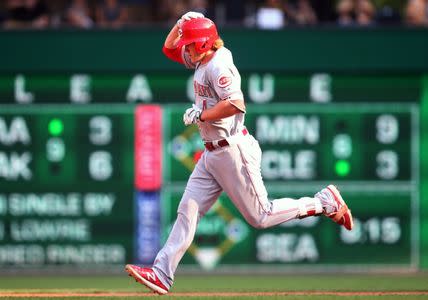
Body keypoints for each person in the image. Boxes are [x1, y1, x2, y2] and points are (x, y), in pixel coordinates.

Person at [125, 12, 354, 295]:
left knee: (262, 216)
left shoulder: (219, 64)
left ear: (205, 43)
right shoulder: (202, 57)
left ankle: (324, 202)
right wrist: (180, 23)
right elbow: (168, 49)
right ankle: (162, 273)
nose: (186, 47)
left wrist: (202, 114)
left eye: (191, 42)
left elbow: (236, 103)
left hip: (233, 150)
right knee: (187, 210)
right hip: (211, 155)